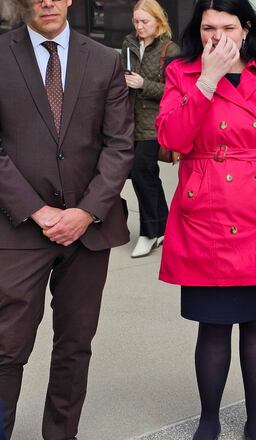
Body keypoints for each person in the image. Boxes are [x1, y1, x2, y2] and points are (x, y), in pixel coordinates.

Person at [155, 0, 256, 438]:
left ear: (245, 28)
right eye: (207, 27)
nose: (216, 36)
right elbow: (171, 138)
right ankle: (209, 420)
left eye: (226, 26)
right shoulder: (182, 72)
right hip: (208, 215)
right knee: (214, 324)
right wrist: (206, 80)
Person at [0, 0, 134, 436]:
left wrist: (86, 211)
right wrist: (38, 211)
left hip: (87, 229)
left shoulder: (105, 60)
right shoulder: (1, 56)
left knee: (75, 347)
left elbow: (119, 146)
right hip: (18, 225)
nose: (47, 2)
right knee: (6, 347)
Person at [121, 0, 179, 258]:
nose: (139, 26)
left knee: (141, 172)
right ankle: (163, 225)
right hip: (128, 121)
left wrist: (144, 84)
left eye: (144, 21)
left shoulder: (170, 49)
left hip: (156, 123)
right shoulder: (129, 44)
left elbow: (174, 91)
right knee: (146, 175)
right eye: (136, 21)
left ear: (158, 21)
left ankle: (150, 233)